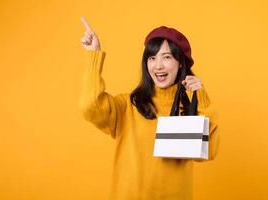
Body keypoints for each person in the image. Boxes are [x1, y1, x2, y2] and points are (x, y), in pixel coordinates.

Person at [79, 16, 220, 200]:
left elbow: (208, 152)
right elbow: (89, 105)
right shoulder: (128, 105)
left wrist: (201, 98)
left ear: (180, 63)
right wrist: (93, 56)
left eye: (167, 57)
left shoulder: (189, 110)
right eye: (152, 58)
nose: (158, 65)